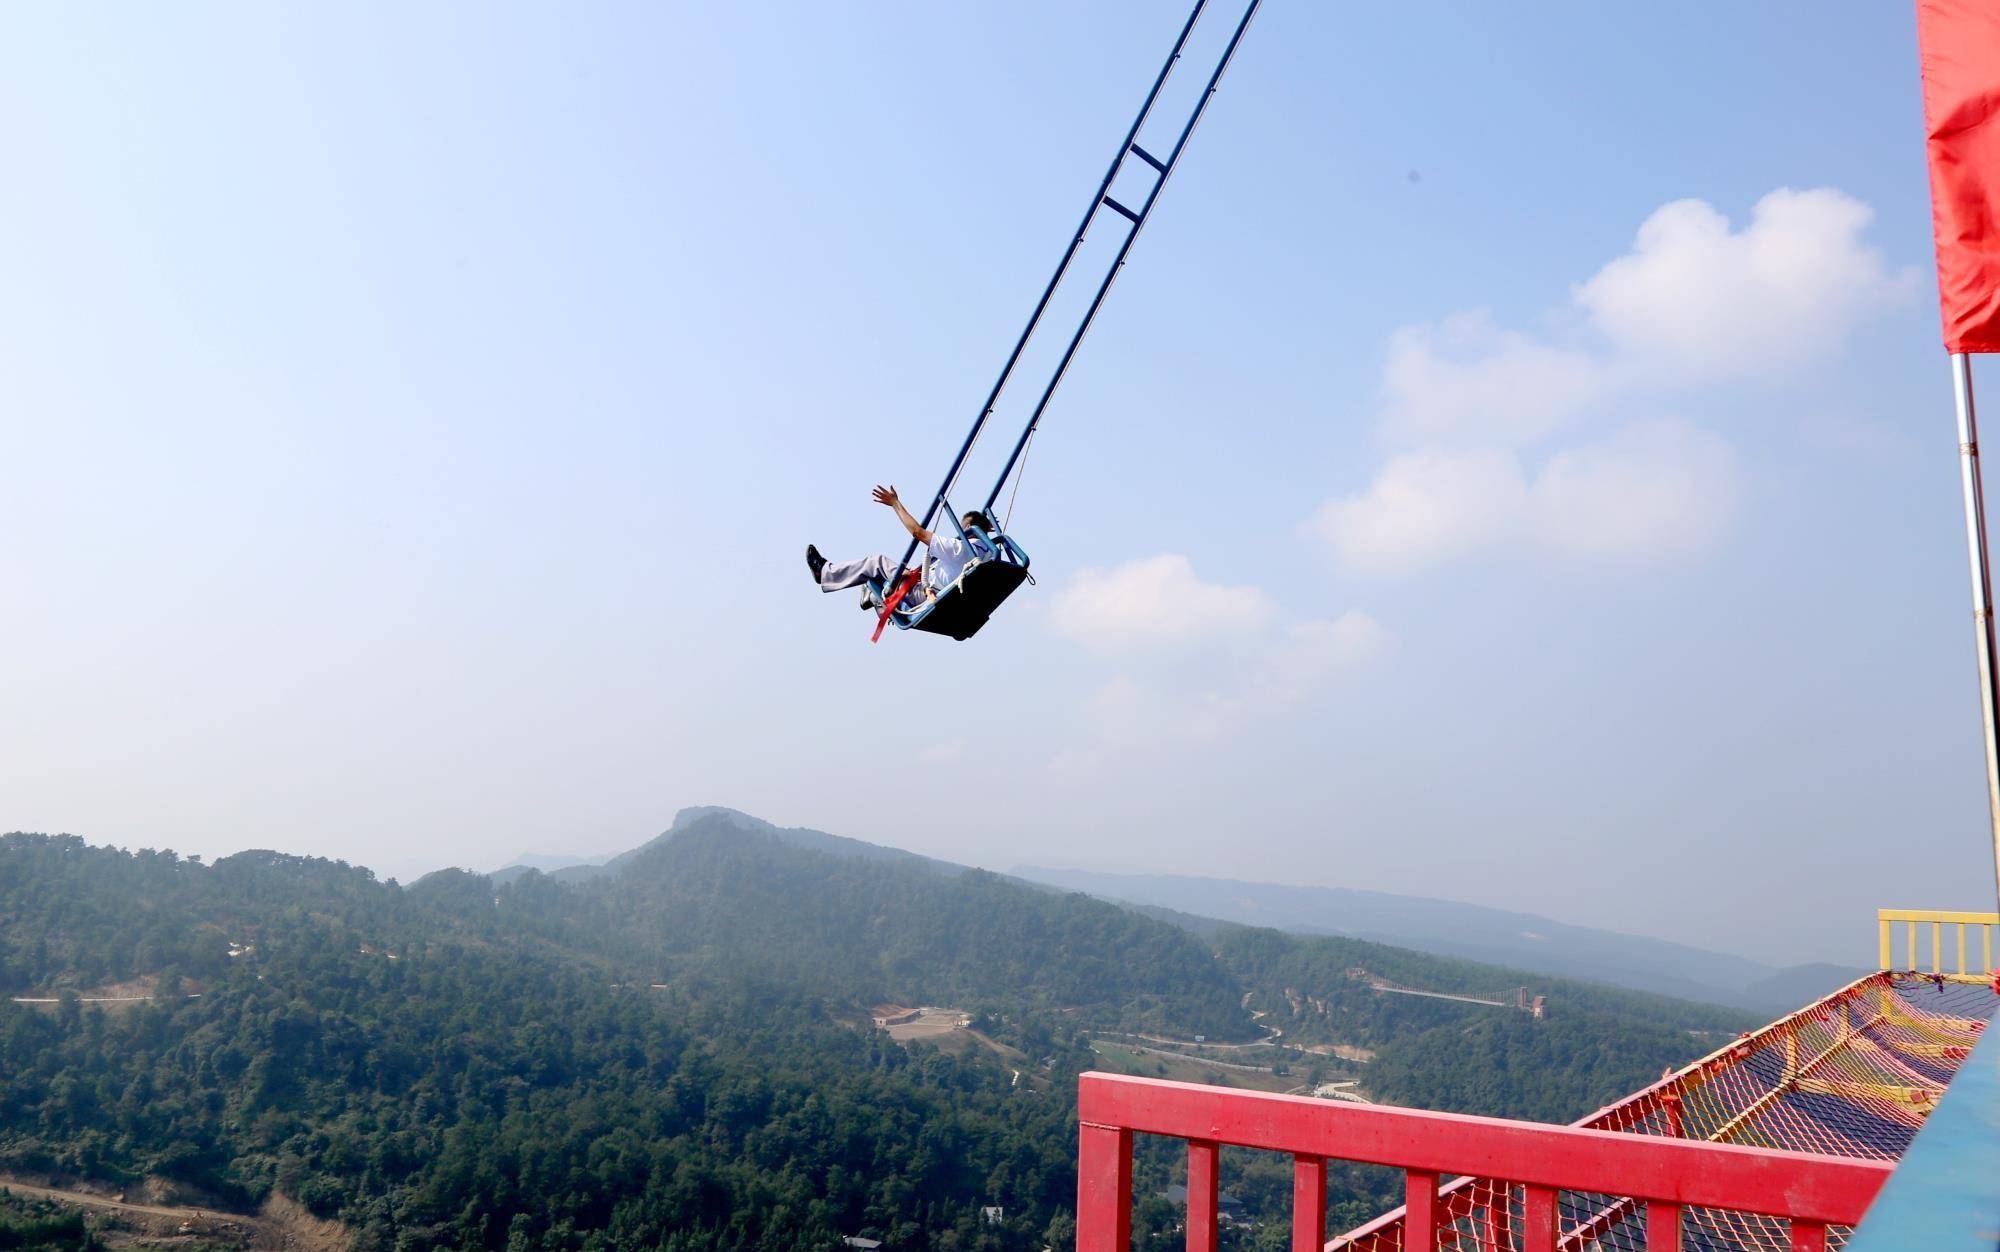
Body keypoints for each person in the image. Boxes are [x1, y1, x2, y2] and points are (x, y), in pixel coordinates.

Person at [808, 486, 994, 610]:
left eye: (961, 529)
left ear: (968, 529)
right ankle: (870, 595)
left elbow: (917, 533)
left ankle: (825, 573)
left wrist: (895, 504)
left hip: (924, 595)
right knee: (899, 572)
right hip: (944, 595)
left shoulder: (960, 549)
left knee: (877, 562)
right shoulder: (990, 556)